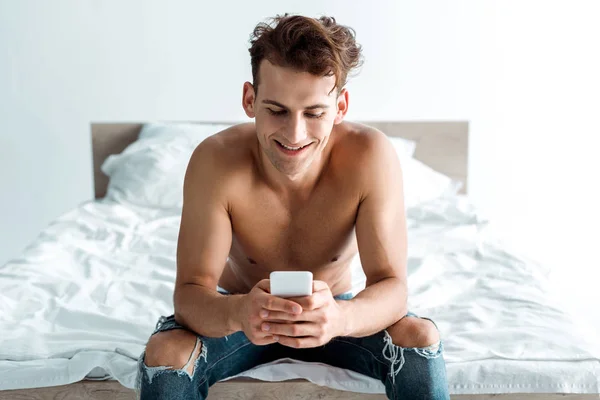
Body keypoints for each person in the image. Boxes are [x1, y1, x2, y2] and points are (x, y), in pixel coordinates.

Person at [136, 14, 450, 400]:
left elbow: (392, 287)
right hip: (240, 314)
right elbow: (189, 295)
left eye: (314, 113)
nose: (294, 134)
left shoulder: (371, 156)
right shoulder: (214, 161)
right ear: (249, 100)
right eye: (277, 110)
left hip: (336, 312)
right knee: (165, 352)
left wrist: (341, 317)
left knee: (420, 337)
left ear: (340, 107)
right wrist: (239, 313)